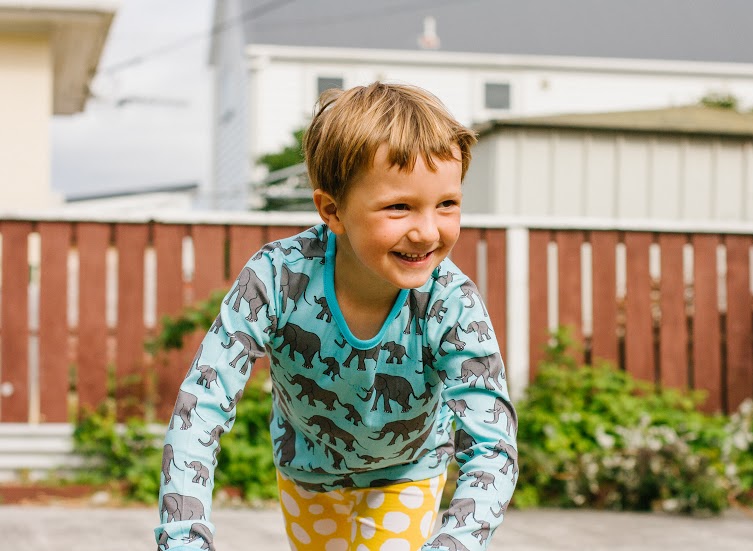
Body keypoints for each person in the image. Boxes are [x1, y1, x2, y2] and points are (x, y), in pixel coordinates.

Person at [155, 81, 518, 551]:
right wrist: (184, 538)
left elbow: (492, 445)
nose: (428, 231)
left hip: (407, 472)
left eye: (446, 203)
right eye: (399, 207)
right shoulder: (275, 280)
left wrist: (454, 543)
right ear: (333, 210)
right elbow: (200, 407)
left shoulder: (451, 304)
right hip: (307, 471)